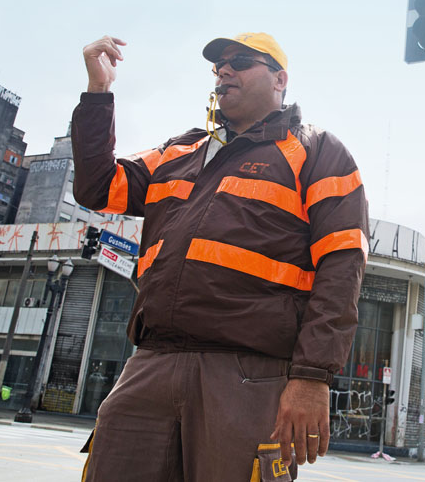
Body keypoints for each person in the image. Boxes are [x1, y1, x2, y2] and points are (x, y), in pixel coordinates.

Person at [73, 32, 369, 481]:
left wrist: (312, 377)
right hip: (150, 361)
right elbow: (97, 188)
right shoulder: (179, 151)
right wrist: (99, 93)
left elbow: (342, 268)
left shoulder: (317, 151)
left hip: (248, 375)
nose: (224, 71)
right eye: (218, 66)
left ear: (280, 80)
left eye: (241, 62)